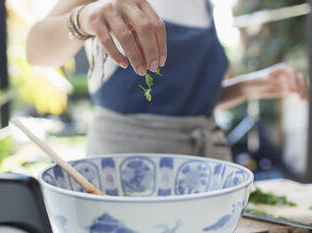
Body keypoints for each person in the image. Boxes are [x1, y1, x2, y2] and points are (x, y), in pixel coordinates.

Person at [27, 0, 308, 161]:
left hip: (204, 168)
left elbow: (183, 99)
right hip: (126, 171)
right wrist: (82, 19)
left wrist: (246, 87)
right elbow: (36, 50)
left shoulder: (205, 6)